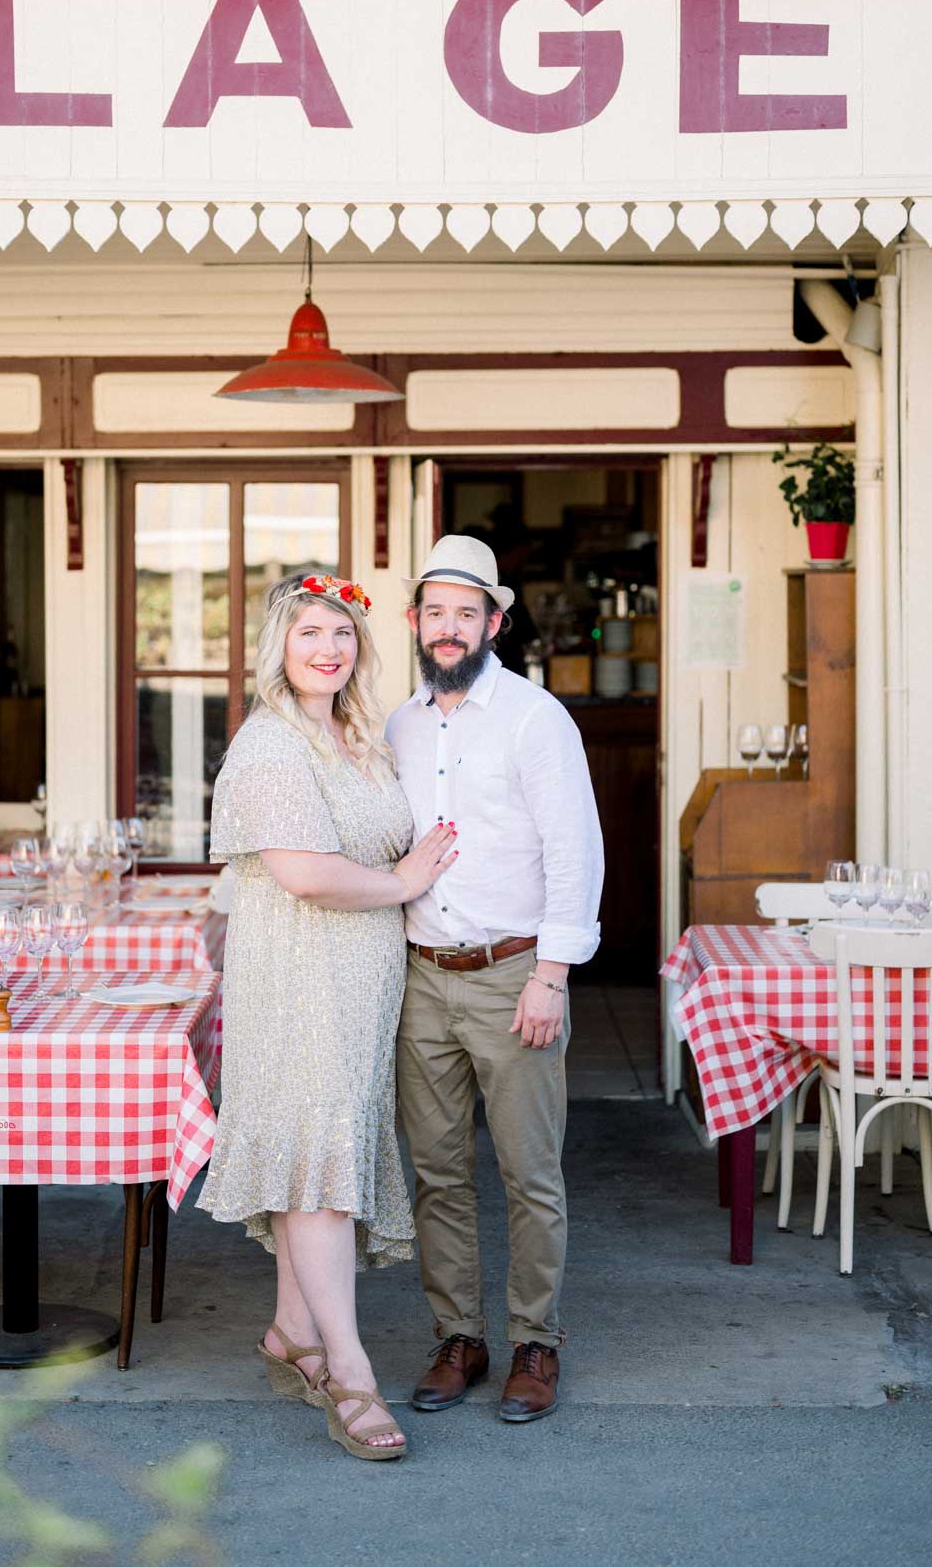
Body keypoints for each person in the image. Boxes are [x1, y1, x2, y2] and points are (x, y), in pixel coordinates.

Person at [198, 570, 458, 1462]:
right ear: (280, 646)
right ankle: (348, 1373)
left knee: (328, 1147)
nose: (328, 648)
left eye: (342, 632)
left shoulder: (354, 733)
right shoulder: (272, 744)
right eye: (310, 631)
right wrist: (402, 883)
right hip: (301, 974)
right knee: (317, 1158)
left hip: (362, 980)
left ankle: (290, 1333)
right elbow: (304, 872)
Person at [387, 535, 604, 1425]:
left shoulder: (535, 717)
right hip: (420, 978)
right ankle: (460, 1338)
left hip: (513, 974)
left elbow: (574, 849)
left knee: (528, 1173)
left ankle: (536, 1343)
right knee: (437, 1173)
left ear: (496, 623)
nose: (449, 629)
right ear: (414, 622)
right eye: (434, 613)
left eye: (465, 614)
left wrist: (551, 975)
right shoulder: (397, 725)